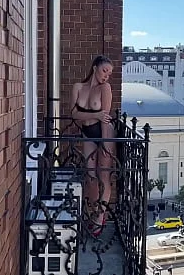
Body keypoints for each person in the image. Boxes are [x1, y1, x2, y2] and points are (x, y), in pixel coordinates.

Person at [71, 55, 115, 237]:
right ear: (95, 67)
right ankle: (94, 210)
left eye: (110, 73)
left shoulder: (105, 88)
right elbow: (73, 114)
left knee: (103, 174)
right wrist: (94, 116)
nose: (107, 75)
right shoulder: (78, 87)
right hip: (87, 133)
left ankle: (100, 217)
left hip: (104, 132)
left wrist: (105, 145)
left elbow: (105, 118)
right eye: (105, 70)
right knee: (90, 175)